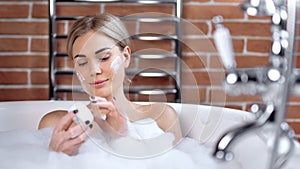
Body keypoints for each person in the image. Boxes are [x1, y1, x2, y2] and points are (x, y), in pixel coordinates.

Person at [38, 13, 182, 156]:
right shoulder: (57, 124)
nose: (94, 70)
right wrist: (55, 156)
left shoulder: (161, 117)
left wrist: (121, 140)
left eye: (104, 57)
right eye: (82, 63)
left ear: (125, 57)